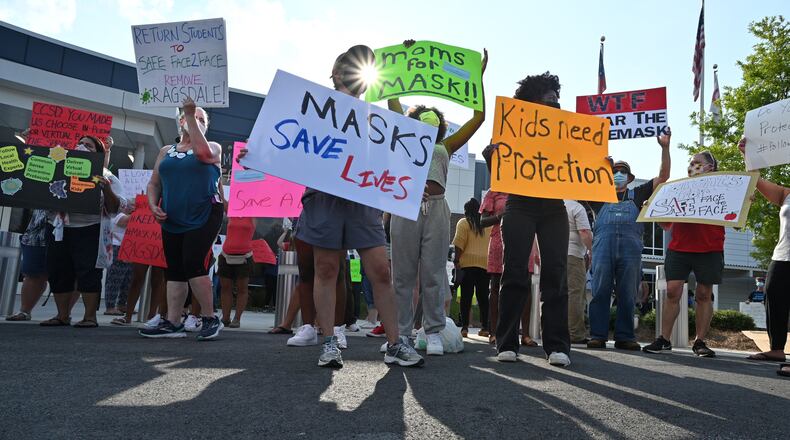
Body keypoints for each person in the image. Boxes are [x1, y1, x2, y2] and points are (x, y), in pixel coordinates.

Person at [387, 42, 488, 357]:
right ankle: (400, 333)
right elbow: (392, 97)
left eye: (434, 117)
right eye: (422, 114)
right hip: (405, 207)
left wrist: (477, 77)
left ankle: (432, 332)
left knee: (432, 273)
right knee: (401, 273)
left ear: (441, 125)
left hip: (438, 210)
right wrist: (400, 61)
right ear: (412, 118)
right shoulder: (404, 133)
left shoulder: (448, 144)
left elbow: (479, 118)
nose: (428, 117)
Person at [493, 72, 574, 367]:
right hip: (520, 205)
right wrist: (494, 155)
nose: (556, 101)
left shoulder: (567, 132)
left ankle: (557, 346)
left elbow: (581, 163)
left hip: (554, 207)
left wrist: (598, 164)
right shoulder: (512, 128)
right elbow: (500, 164)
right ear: (531, 102)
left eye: (557, 97)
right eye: (549, 97)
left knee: (556, 272)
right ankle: (507, 343)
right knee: (514, 271)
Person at [139, 97, 224, 340]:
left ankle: (209, 317)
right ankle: (173, 321)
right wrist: (153, 204)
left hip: (204, 213)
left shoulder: (214, 147)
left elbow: (203, 154)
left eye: (201, 119)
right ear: (179, 122)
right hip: (173, 216)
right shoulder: (167, 151)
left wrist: (190, 116)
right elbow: (155, 183)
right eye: (190, 116)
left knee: (193, 262)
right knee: (174, 268)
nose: (194, 121)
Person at [587, 130, 671, 350]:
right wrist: (599, 164)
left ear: (630, 177)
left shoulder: (639, 194)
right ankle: (598, 335)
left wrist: (665, 148)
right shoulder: (597, 197)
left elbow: (663, 177)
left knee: (627, 294)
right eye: (614, 171)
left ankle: (625, 337)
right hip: (603, 250)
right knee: (600, 292)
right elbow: (579, 175)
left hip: (631, 252)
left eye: (623, 172)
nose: (618, 174)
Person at [41, 135, 127, 328]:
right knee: (59, 272)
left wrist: (106, 189)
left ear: (97, 154)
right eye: (80, 144)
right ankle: (62, 315)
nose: (82, 147)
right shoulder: (59, 168)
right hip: (59, 228)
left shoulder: (107, 176)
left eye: (88, 146)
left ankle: (89, 317)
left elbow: (116, 208)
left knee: (88, 272)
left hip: (90, 229)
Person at [643, 151, 723, 357]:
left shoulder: (724, 188)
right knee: (672, 291)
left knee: (704, 294)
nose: (692, 166)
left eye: (697, 163)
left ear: (710, 168)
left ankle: (700, 342)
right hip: (679, 249)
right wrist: (654, 213)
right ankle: (664, 339)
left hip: (710, 249)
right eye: (690, 163)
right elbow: (666, 224)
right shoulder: (678, 190)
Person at [735, 139, 789, 375]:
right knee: (774, 297)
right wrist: (748, 155)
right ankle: (776, 348)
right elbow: (755, 180)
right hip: (783, 255)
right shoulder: (786, 193)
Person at [480, 148, 539, 347]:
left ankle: (525, 334)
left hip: (525, 239)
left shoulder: (527, 188)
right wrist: (501, 217)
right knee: (496, 286)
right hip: (498, 241)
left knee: (526, 285)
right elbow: (482, 221)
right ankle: (495, 331)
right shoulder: (493, 191)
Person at [453, 198, 492, 339]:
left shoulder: (464, 223)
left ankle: (464, 328)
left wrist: (457, 260)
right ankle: (485, 328)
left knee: (466, 297)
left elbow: (459, 243)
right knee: (483, 297)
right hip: (484, 265)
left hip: (467, 265)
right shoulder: (486, 225)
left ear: (466, 211)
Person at [5, 209, 49, 321]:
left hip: (78, 222)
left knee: (72, 273)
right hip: (40, 224)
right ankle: (24, 311)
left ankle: (64, 315)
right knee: (32, 272)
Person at [564, 199, 592, 344]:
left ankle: (550, 330)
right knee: (575, 294)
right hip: (573, 255)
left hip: (552, 255)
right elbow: (584, 232)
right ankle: (575, 334)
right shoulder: (576, 207)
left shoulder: (553, 204)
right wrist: (592, 250)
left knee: (554, 294)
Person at [219, 216, 255, 328]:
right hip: (226, 254)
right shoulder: (231, 208)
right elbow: (220, 199)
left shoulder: (253, 212)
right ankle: (225, 317)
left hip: (245, 255)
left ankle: (237, 318)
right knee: (225, 287)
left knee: (242, 288)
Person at [103, 211, 133, 316]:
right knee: (115, 278)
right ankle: (110, 306)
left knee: (128, 278)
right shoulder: (117, 211)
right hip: (117, 245)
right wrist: (142, 212)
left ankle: (122, 304)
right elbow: (123, 221)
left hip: (130, 245)